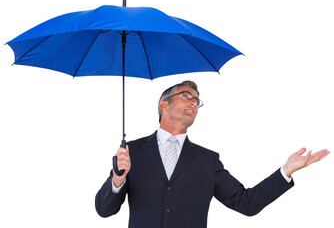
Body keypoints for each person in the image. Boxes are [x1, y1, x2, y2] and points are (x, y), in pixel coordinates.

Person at [95, 80, 329, 228]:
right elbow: (104, 210)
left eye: (197, 101)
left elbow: (246, 204)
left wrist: (286, 171)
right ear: (163, 105)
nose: (194, 103)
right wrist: (117, 179)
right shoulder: (132, 152)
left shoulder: (207, 161)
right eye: (187, 96)